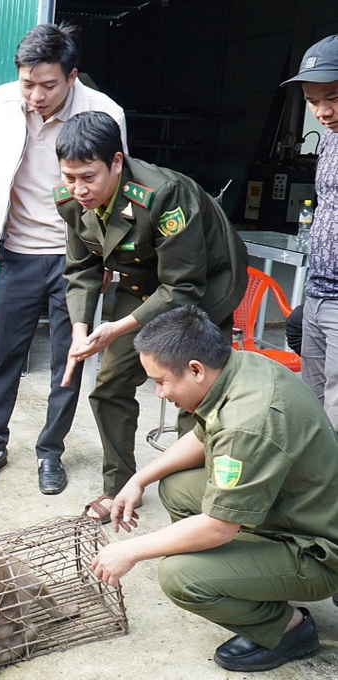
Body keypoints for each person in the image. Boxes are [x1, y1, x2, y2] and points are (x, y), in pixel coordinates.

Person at [92, 305, 338, 673]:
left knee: (180, 576)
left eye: (161, 381)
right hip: (294, 505)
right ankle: (250, 579)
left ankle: (288, 629)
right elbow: (202, 435)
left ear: (195, 369)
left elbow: (218, 527)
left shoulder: (248, 422)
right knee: (175, 486)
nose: (158, 393)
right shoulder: (239, 368)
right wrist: (138, 479)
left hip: (319, 549)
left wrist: (129, 551)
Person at [54, 110, 248, 521]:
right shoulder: (71, 199)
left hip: (205, 287)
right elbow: (81, 268)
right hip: (143, 283)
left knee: (193, 393)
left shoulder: (164, 193)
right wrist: (81, 332)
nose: (79, 189)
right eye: (70, 178)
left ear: (117, 163)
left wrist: (116, 329)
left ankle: (196, 501)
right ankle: (120, 488)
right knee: (109, 385)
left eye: (88, 177)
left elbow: (182, 288)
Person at [0, 24, 127, 495]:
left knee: (68, 358)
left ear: (73, 77)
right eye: (27, 83)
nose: (36, 95)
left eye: (49, 85)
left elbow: (117, 185)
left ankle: (49, 451)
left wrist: (111, 256)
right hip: (17, 249)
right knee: (5, 355)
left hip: (77, 258)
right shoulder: (2, 101)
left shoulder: (104, 112)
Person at [280, 35, 338, 429]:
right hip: (317, 294)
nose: (323, 111)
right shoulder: (330, 143)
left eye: (332, 96)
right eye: (312, 101)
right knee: (313, 408)